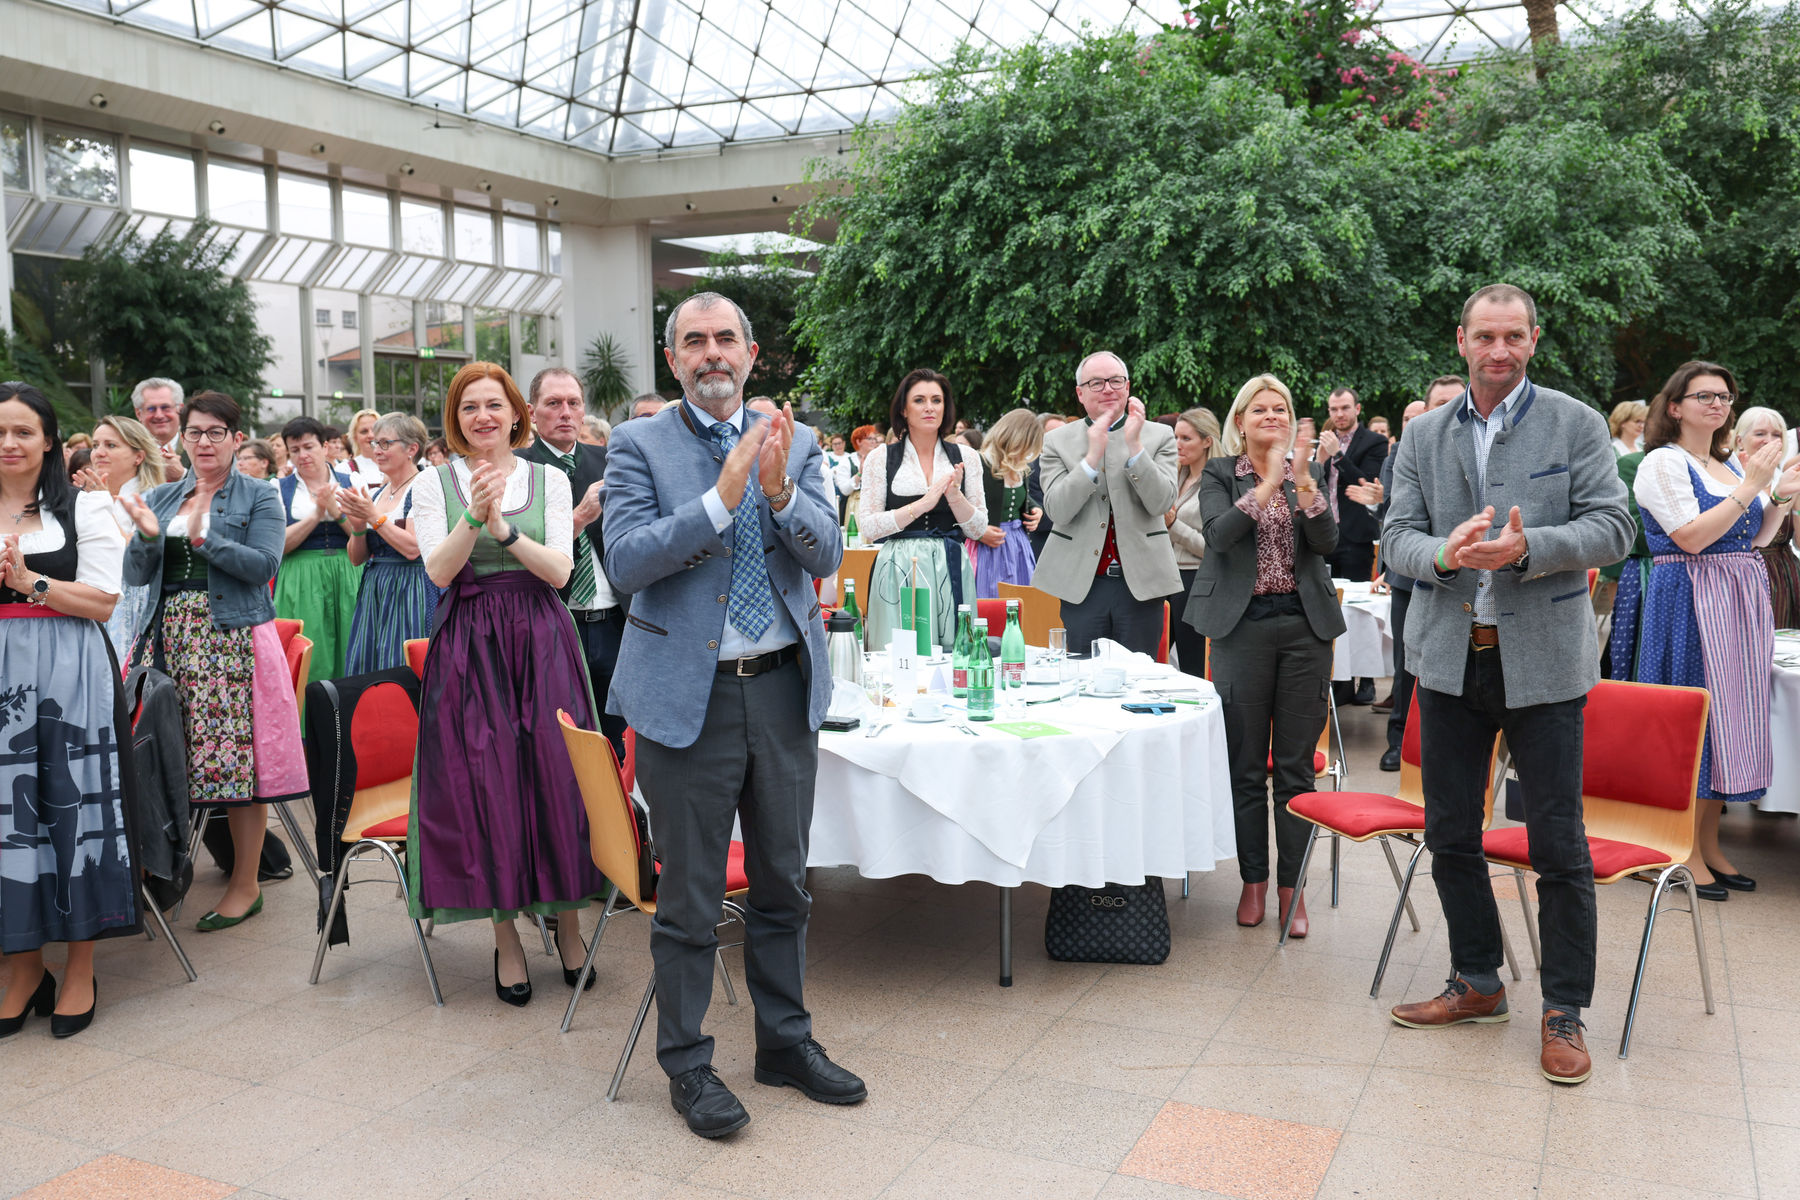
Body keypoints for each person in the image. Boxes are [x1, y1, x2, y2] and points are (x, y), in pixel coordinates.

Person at [605, 291, 862, 1139]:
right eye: (694, 341)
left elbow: (826, 551)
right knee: (691, 896)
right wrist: (720, 498)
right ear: (672, 359)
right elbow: (625, 562)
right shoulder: (638, 443)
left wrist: (780, 493)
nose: (711, 352)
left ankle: (785, 1043)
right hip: (689, 700)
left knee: (785, 882)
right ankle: (688, 1065)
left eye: (726, 339)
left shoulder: (800, 442)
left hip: (784, 690)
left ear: (752, 354)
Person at [1382, 284, 1635, 1088]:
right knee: (1451, 834)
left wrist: (1529, 548)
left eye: (1513, 336)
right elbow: (1395, 538)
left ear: (1534, 338)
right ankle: (1478, 980)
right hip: (1449, 659)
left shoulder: (1576, 422)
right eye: (1485, 336)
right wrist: (1444, 555)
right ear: (1461, 341)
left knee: (1557, 843)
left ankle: (1564, 1009)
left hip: (1546, 664)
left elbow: (1615, 527)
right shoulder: (1423, 434)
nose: (1499, 350)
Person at [408, 362, 607, 1007]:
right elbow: (439, 573)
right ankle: (506, 940)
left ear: (516, 412)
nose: (483, 417)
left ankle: (569, 927)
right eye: (470, 407)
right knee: (485, 784)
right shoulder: (433, 484)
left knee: (558, 777)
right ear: (456, 419)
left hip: (542, 639)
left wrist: (504, 530)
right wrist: (473, 516)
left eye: (494, 404)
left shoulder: (548, 478)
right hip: (469, 645)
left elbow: (558, 571)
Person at [120, 391, 309, 932]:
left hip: (231, 641)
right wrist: (148, 539)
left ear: (236, 437)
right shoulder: (160, 497)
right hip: (168, 640)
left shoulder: (260, 494)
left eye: (215, 432)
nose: (204, 442)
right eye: (195, 432)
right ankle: (163, 868)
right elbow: (135, 575)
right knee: (167, 754)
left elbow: (264, 565)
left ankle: (246, 883)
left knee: (238, 764)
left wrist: (203, 538)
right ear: (183, 438)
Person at [1631, 364, 1800, 898]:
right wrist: (1751, 485)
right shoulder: (1663, 462)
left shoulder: (1723, 464)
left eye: (1724, 396)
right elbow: (1691, 537)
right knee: (1696, 721)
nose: (1717, 404)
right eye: (1703, 396)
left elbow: (1754, 538)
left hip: (1737, 598)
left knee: (1727, 721)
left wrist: (1779, 497)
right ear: (1674, 406)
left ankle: (1707, 843)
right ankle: (1678, 847)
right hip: (1690, 597)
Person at [0, 382, 135, 1040]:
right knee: (8, 821)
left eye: (22, 430)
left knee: (72, 810)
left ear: (49, 440)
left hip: (69, 675)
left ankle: (81, 964)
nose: (8, 443)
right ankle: (23, 966)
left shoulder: (85, 506)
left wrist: (30, 582)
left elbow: (104, 602)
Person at [1186, 376, 1339, 936]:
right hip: (1241, 626)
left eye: (1280, 409)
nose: (1272, 416)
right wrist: (1268, 484)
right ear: (1240, 421)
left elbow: (1326, 543)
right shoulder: (1219, 473)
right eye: (1260, 409)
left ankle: (1291, 890)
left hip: (1304, 626)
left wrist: (1303, 485)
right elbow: (1218, 535)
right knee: (1246, 765)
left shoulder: (1308, 471)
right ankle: (1253, 882)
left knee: (1295, 769)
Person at [1034, 352, 1179, 657]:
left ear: (1128, 387)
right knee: (1083, 672)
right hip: (1082, 582)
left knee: (1139, 674)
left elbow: (1162, 503)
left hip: (1141, 581)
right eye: (1096, 383)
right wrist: (1091, 459)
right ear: (1080, 393)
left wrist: (1135, 446)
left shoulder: (1159, 435)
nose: (1108, 389)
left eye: (1115, 381)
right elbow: (1057, 510)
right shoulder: (1057, 440)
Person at [519, 367, 627, 760]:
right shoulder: (517, 469)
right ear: (532, 412)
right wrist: (578, 518)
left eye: (573, 403)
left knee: (618, 740)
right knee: (562, 742)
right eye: (553, 403)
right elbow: (514, 551)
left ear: (583, 411)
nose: (565, 412)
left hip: (617, 623)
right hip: (552, 624)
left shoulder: (610, 461)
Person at [856, 369, 986, 650]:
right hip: (897, 567)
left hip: (951, 563)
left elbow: (978, 529)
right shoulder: (881, 457)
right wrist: (923, 504)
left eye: (936, 400)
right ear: (903, 409)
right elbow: (868, 526)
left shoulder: (968, 457)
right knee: (898, 653)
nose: (929, 407)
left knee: (955, 652)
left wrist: (954, 497)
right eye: (919, 400)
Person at [341, 413, 435, 675]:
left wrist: (373, 517)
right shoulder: (378, 493)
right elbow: (356, 559)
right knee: (369, 663)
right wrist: (358, 528)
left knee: (401, 664)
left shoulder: (424, 487)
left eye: (385, 443)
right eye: (375, 444)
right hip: (376, 588)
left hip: (410, 587)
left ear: (411, 449)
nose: (377, 451)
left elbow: (413, 549)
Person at [275, 417, 361, 683]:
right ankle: (306, 711)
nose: (302, 455)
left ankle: (350, 710)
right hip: (301, 575)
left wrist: (336, 512)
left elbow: (364, 537)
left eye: (308, 447)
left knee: (352, 649)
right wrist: (316, 514)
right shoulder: (278, 488)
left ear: (325, 447)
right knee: (308, 656)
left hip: (348, 571)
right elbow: (279, 546)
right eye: (295, 450)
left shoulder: (351, 480)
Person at [74, 414, 165, 660]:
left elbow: (133, 554)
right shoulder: (84, 498)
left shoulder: (154, 498)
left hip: (133, 610)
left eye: (111, 445)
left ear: (138, 456)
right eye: (95, 445)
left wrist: (103, 503)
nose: (99, 453)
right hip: (89, 603)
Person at [1321, 387, 1388, 704]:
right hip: (1326, 535)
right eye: (1334, 409)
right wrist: (1320, 460)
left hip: (1356, 536)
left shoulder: (1373, 442)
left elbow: (1368, 484)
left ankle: (1368, 681)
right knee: (1332, 610)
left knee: (1361, 610)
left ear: (1357, 409)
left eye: (1345, 408)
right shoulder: (1325, 442)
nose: (1339, 414)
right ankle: (1341, 681)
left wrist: (1338, 456)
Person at [1731, 406, 1800, 629]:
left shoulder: (1786, 477)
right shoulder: (1729, 476)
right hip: (1743, 572)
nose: (1769, 440)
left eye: (1776, 434)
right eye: (1760, 433)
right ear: (1740, 440)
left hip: (1785, 572)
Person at [1164, 407, 1219, 678]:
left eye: (1186, 438)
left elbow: (1214, 547)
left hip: (1194, 580)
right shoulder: (1175, 477)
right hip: (1165, 577)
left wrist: (1173, 525)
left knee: (1193, 666)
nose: (1178, 444)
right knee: (1154, 660)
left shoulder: (1217, 484)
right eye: (1176, 437)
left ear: (1207, 441)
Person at [972, 408, 1044, 597]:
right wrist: (978, 531)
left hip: (1018, 545)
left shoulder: (1019, 467)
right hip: (988, 547)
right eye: (1025, 447)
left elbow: (1021, 497)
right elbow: (960, 505)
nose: (1027, 454)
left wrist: (1035, 509)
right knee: (991, 599)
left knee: (1022, 599)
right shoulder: (980, 463)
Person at [132, 377, 186, 483]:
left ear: (180, 409)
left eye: (165, 407)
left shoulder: (198, 445)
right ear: (138, 414)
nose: (159, 415)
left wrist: (182, 475)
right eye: (151, 409)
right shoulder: (128, 450)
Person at [1027, 412, 1065, 558]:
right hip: (1045, 550)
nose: (1062, 439)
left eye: (1065, 434)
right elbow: (1040, 519)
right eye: (1055, 434)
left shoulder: (1081, 468)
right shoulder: (1031, 471)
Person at [833, 424, 881, 526]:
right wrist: (859, 473)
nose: (873, 441)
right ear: (859, 441)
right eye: (869, 438)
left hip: (877, 505)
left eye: (875, 439)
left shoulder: (880, 458)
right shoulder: (846, 461)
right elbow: (845, 490)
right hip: (857, 506)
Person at [343, 408, 383, 487]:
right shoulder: (345, 469)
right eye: (364, 431)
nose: (371, 435)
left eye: (375, 430)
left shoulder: (397, 465)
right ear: (355, 437)